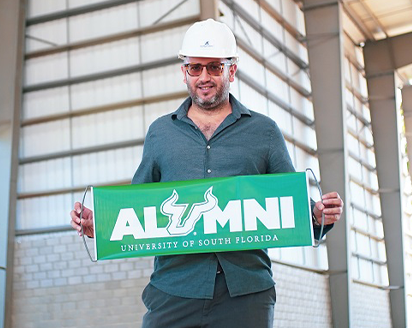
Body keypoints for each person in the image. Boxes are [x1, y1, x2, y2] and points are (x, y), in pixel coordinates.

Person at [70, 19, 344, 328]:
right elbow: (136, 208)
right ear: (183, 71)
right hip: (173, 290)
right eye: (195, 68)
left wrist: (318, 216)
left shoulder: (264, 132)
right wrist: (99, 224)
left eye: (214, 67)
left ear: (232, 70)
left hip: (246, 293)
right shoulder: (161, 133)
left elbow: (292, 207)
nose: (204, 77)